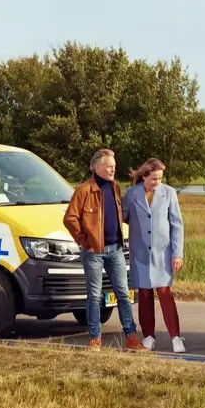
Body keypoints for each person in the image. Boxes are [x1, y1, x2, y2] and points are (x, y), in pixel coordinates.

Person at [63, 148, 144, 351]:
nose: (113, 169)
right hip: (94, 252)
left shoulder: (115, 187)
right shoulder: (83, 191)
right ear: (96, 167)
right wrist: (85, 241)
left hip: (115, 249)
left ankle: (131, 337)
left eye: (114, 166)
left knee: (123, 294)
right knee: (95, 295)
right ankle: (95, 338)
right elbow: (70, 218)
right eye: (109, 166)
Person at [124, 158, 185, 352]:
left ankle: (175, 337)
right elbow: (122, 217)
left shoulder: (169, 193)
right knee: (144, 294)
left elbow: (177, 225)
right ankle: (148, 336)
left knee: (165, 293)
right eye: (154, 179)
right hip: (140, 253)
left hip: (163, 253)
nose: (157, 183)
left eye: (160, 179)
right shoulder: (131, 194)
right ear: (144, 176)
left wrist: (177, 254)